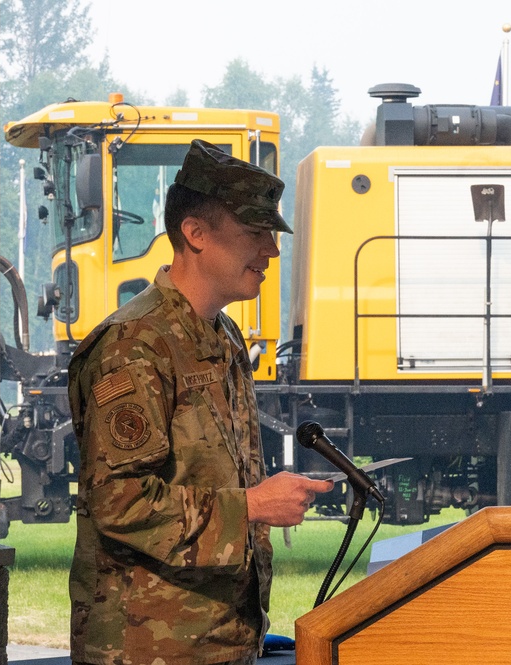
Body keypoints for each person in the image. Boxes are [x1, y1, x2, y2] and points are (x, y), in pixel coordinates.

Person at [67, 139, 332, 665]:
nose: (272, 251)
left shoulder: (222, 335)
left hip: (218, 639)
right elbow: (119, 500)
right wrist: (254, 506)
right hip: (146, 647)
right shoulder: (134, 345)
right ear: (195, 234)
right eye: (256, 233)